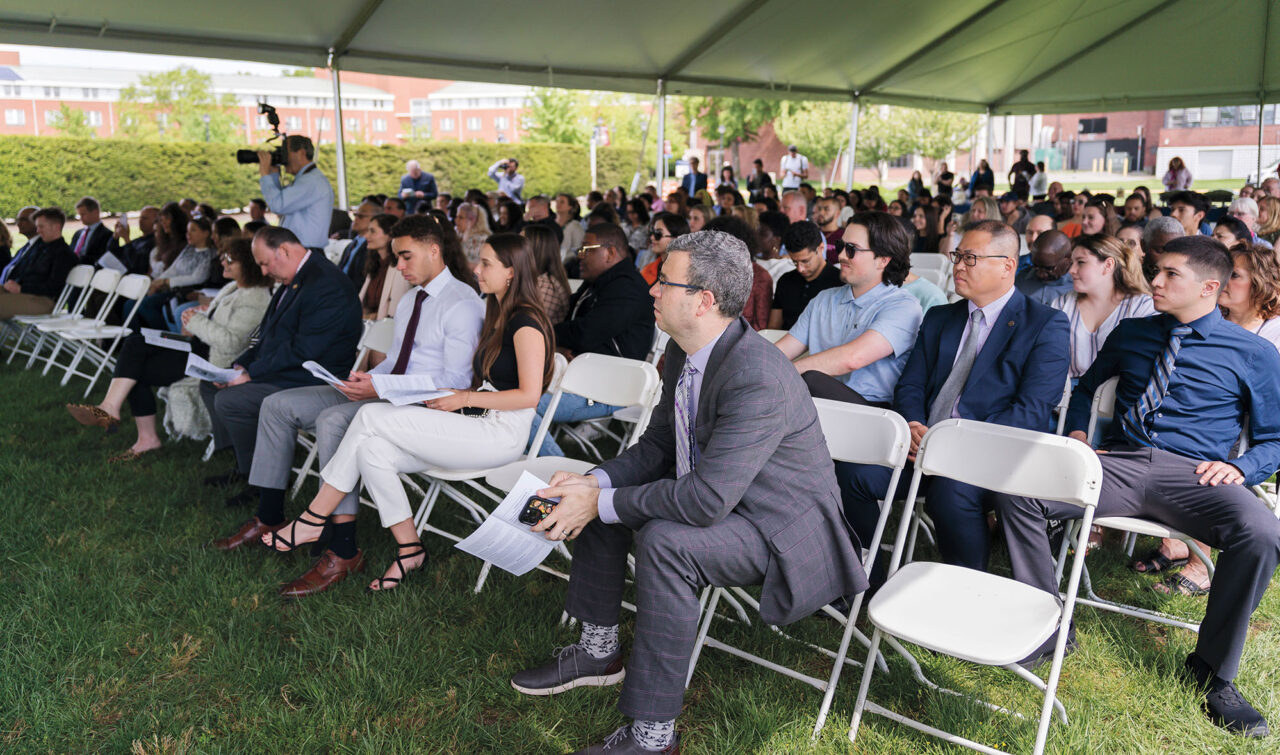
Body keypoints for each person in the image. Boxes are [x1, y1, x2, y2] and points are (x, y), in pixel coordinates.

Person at [506, 229, 867, 755]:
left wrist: (599, 500)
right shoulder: (684, 350)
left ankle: (654, 736)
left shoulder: (756, 376)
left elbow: (704, 502)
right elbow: (656, 446)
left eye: (663, 280)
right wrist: (594, 483)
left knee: (664, 542)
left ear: (703, 300)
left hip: (780, 527)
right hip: (724, 498)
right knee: (609, 500)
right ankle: (599, 651)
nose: (650, 289)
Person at [996, 235, 1280, 737]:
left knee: (1261, 532)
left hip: (1197, 475)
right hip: (1120, 463)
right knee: (1019, 490)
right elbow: (1085, 388)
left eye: (1171, 274)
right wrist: (1079, 436)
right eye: (1156, 270)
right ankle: (1048, 628)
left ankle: (1214, 673)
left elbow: (1275, 437)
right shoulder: (1133, 333)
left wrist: (1244, 468)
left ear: (1209, 287)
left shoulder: (1253, 352)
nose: (1156, 281)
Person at [261, 232, 552, 595]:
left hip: (501, 435)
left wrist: (463, 399)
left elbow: (529, 396)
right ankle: (411, 549)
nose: (476, 269)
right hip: (475, 421)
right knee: (372, 451)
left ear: (512, 271)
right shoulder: (498, 311)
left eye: (487, 263)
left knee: (368, 418)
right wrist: (458, 397)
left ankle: (313, 518)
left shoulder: (526, 322)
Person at [839, 220, 1069, 573]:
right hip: (921, 446)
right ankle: (869, 577)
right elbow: (910, 386)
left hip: (988, 452)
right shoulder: (940, 317)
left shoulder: (1043, 324)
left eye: (970, 258)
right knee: (853, 473)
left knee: (949, 492)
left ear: (1008, 266)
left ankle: (965, 586)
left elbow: (1030, 412)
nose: (958, 266)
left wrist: (951, 442)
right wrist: (913, 424)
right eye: (957, 255)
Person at [199, 226, 363, 507]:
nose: (263, 272)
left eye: (264, 263)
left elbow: (305, 351)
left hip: (312, 379)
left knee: (231, 399)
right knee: (215, 386)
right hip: (292, 371)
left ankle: (261, 483)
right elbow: (267, 337)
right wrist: (239, 365)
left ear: (284, 251)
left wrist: (250, 374)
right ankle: (249, 469)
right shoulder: (301, 277)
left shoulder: (326, 283)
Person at [65, 237, 272, 459]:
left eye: (230, 259)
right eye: (223, 257)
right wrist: (202, 314)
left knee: (134, 370)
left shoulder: (256, 298)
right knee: (135, 344)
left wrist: (196, 321)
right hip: (198, 346)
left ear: (249, 264)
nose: (223, 262)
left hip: (212, 360)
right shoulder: (233, 287)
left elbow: (231, 342)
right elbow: (219, 322)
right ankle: (116, 413)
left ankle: (139, 432)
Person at [530, 223, 655, 457]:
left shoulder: (627, 288)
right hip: (581, 377)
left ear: (609, 253)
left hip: (607, 388)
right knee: (515, 395)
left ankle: (556, 467)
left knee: (523, 404)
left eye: (587, 249)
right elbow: (574, 327)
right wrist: (563, 343)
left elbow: (586, 333)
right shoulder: (600, 282)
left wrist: (550, 335)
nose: (580, 256)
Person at [775, 211, 923, 407]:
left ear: (883, 260)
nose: (841, 255)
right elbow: (781, 351)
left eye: (852, 249)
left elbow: (852, 358)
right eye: (841, 246)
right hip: (815, 402)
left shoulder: (903, 307)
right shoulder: (824, 299)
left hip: (870, 411)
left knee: (808, 380)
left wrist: (783, 374)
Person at [1050, 234, 1155, 380]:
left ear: (1108, 265)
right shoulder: (1062, 304)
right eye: (1072, 263)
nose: (1071, 270)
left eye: (1081, 262)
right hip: (1066, 395)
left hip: (1117, 394)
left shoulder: (1140, 307)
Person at [134, 216, 216, 331]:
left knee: (146, 305)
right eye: (187, 231)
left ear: (206, 233)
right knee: (135, 302)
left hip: (185, 291)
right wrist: (156, 283)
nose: (188, 234)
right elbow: (173, 269)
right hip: (169, 287)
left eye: (193, 230)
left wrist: (166, 281)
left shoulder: (209, 254)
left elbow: (198, 277)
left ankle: (166, 335)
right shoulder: (188, 249)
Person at [258, 135, 334, 251]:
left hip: (306, 252)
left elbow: (278, 205)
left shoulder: (311, 181)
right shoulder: (306, 180)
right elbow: (283, 204)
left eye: (285, 153)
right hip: (303, 250)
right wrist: (273, 175)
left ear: (301, 153)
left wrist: (265, 174)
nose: (284, 159)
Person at [0, 206, 76, 319]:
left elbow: (53, 288)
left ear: (56, 227)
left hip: (43, 301)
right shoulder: (40, 248)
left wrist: (21, 288)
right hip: (26, 294)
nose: (38, 230)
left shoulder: (64, 254)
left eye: (41, 226)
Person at [768, 220, 841, 331]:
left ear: (821, 249)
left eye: (805, 261)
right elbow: (773, 328)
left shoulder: (839, 283)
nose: (800, 269)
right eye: (794, 262)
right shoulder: (785, 281)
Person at [356, 213, 412, 326]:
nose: (367, 236)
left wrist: (369, 317)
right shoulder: (374, 264)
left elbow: (397, 313)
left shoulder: (401, 269)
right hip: (368, 327)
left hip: (386, 332)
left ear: (389, 235)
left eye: (373, 231)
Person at [523, 224, 572, 324]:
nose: (513, 249)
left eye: (518, 244)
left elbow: (527, 324)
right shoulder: (535, 280)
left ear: (534, 250)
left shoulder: (546, 287)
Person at [1015, 229, 1075, 305]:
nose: (1040, 274)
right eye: (1036, 266)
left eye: (1048, 268)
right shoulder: (1021, 279)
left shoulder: (1077, 286)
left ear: (1067, 261)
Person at [640, 213, 688, 286]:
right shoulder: (649, 269)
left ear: (676, 238)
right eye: (652, 233)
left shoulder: (688, 272)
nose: (652, 238)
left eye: (658, 234)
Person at [0, 206, 38, 286]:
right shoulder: (26, 248)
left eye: (24, 220)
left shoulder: (41, 248)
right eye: (18, 220)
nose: (18, 223)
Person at [754, 211, 795, 284]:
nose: (756, 237)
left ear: (777, 240)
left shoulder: (785, 268)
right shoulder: (751, 260)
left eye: (762, 234)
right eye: (756, 232)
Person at [70, 196, 112, 266]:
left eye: (83, 214)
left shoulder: (106, 234)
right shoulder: (78, 233)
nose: (80, 218)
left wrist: (79, 259)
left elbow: (101, 259)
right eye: (79, 215)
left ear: (95, 212)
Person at [555, 193, 585, 261]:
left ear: (570, 206)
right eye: (557, 201)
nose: (558, 204)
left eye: (562, 202)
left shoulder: (575, 226)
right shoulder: (551, 223)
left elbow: (578, 248)